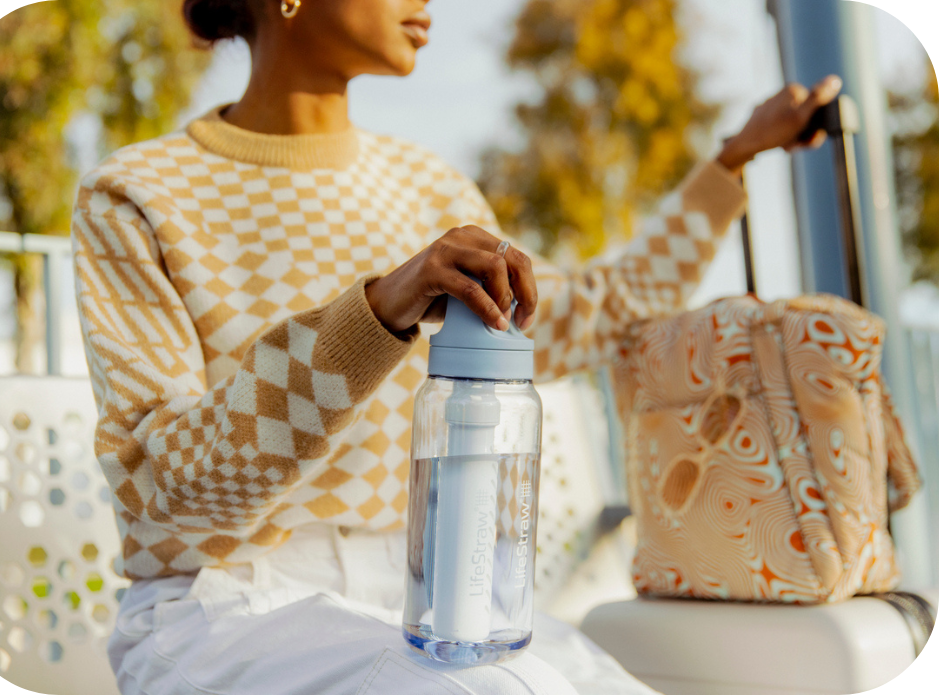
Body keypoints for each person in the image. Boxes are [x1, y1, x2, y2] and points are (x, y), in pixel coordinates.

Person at [70, 0, 843, 692]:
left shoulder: (429, 186)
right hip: (223, 608)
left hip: (438, 592)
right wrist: (375, 313)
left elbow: (588, 314)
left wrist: (733, 160)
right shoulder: (136, 194)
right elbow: (161, 492)